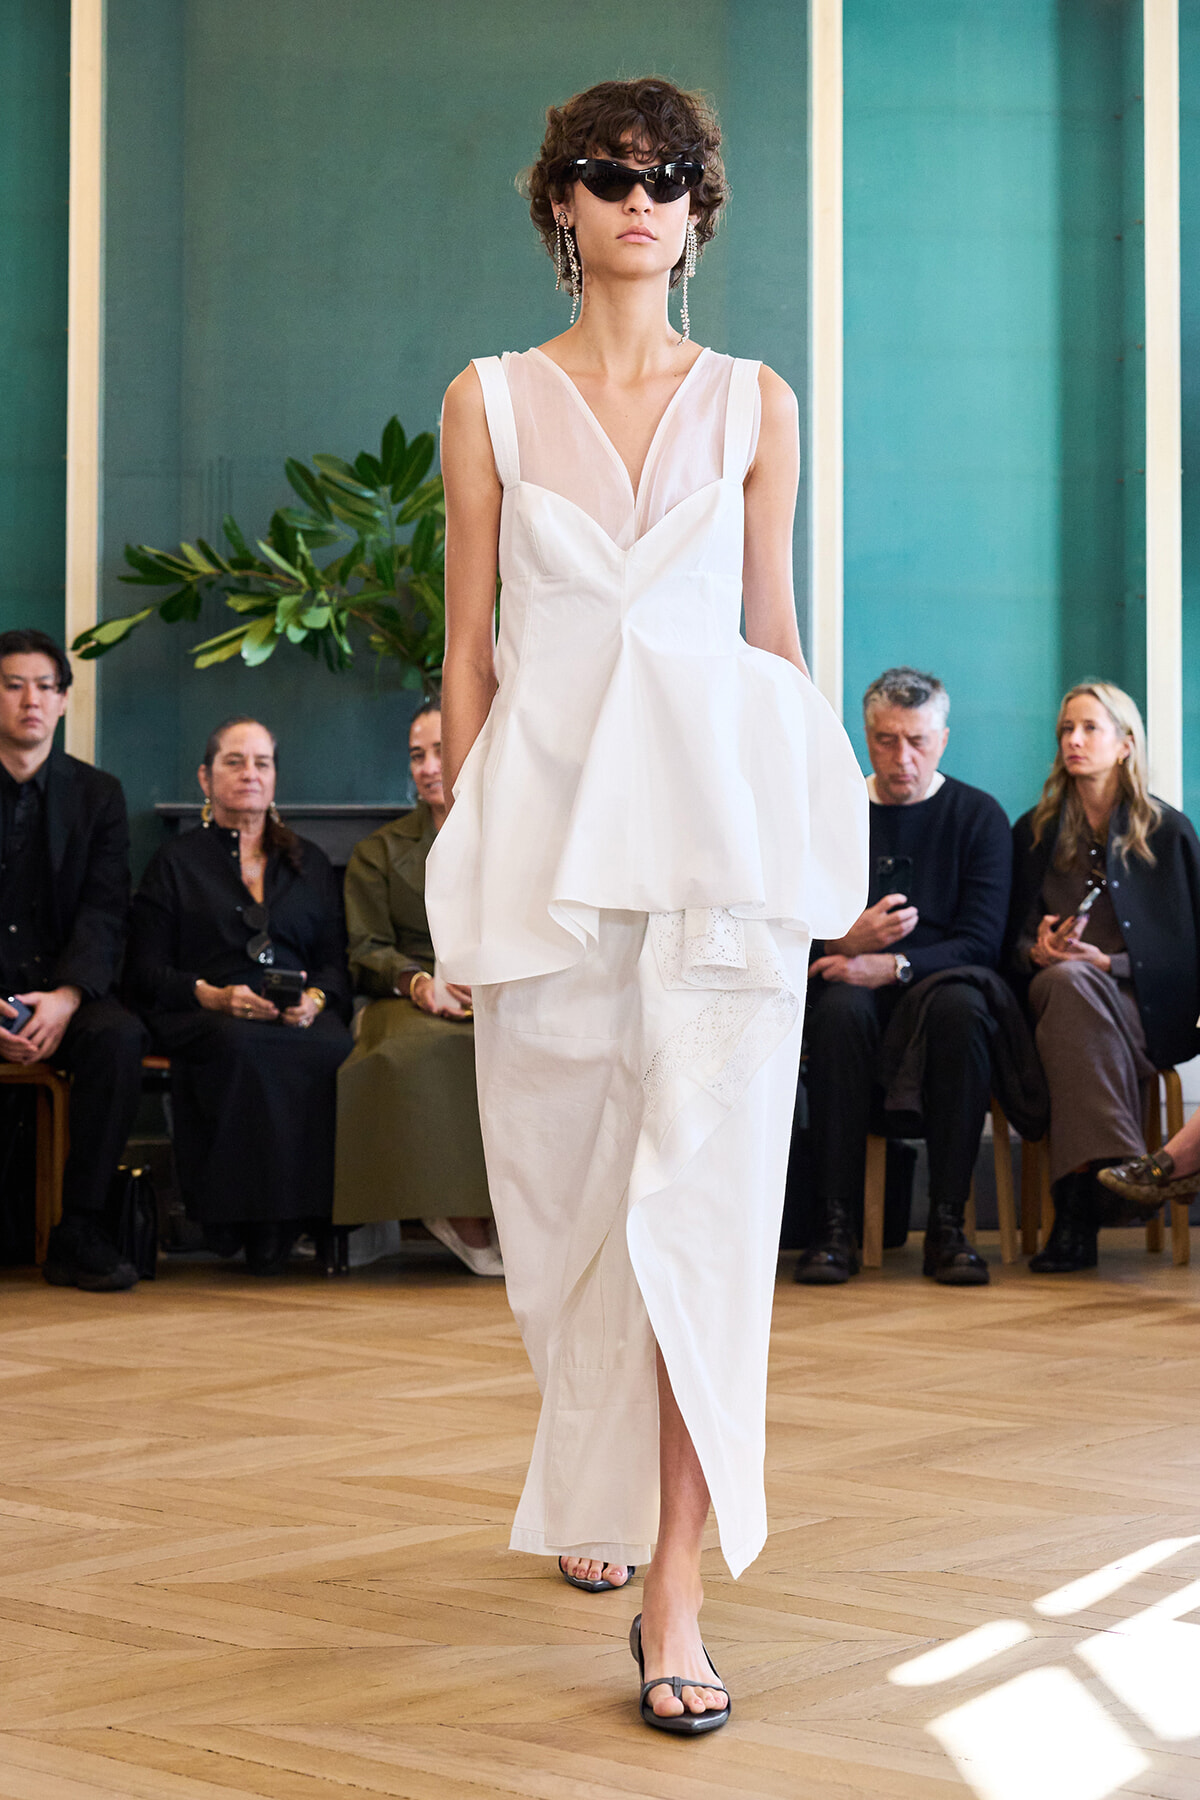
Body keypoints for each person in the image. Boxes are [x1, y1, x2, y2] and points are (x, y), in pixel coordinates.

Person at [425, 77, 867, 1735]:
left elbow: (775, 636)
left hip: (721, 866)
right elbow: (468, 656)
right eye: (609, 176)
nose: (639, 200)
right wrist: (465, 901)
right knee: (564, 1230)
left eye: (670, 178)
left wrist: (820, 859)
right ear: (562, 206)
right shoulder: (488, 402)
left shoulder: (759, 403)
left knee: (703, 1217)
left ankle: (674, 1591)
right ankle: (599, 1485)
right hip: (545, 864)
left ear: (699, 212)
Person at [796, 668, 1013, 1287]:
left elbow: (982, 943)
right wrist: (844, 941)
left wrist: (891, 965)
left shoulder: (977, 817)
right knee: (839, 1010)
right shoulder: (831, 813)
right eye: (887, 740)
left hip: (940, 995)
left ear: (942, 739)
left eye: (917, 740)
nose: (902, 757)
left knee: (962, 1010)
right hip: (845, 997)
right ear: (866, 737)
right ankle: (833, 1226)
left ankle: (948, 1225)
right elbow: (787, 930)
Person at [126, 717, 353, 1274]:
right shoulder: (175, 863)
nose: (249, 774)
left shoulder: (310, 862)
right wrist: (212, 995)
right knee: (241, 1047)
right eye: (234, 762)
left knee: (331, 1048)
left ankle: (315, 1221)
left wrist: (316, 1002)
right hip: (205, 1012)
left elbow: (334, 963)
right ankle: (245, 1224)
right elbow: (144, 971)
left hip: (295, 1012)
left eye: (262, 763)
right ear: (205, 778)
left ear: (275, 778)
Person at [1008, 681, 1200, 1272]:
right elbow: (1003, 943)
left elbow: (1189, 954)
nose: (1074, 740)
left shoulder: (1168, 833)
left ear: (1125, 744)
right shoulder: (1033, 833)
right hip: (1053, 1000)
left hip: (1140, 1014)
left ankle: (1076, 1215)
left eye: (1090, 728)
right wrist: (1035, 951)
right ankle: (1116, 1175)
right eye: (1067, 729)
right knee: (1066, 987)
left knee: (1078, 989)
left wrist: (1109, 964)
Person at [0, 628, 148, 1291]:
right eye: (12, 685)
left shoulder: (98, 795)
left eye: (45, 686)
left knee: (117, 1038)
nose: (30, 700)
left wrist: (66, 996)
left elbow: (105, 910)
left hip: (61, 988)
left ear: (63, 701)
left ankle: (79, 1227)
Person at [334, 702, 500, 1276]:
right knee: (423, 1049)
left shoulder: (512, 837)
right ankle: (458, 1211)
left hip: (496, 990)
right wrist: (420, 981)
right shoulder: (379, 851)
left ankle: (517, 1212)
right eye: (417, 755)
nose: (430, 766)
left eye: (441, 749)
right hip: (405, 997)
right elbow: (366, 948)